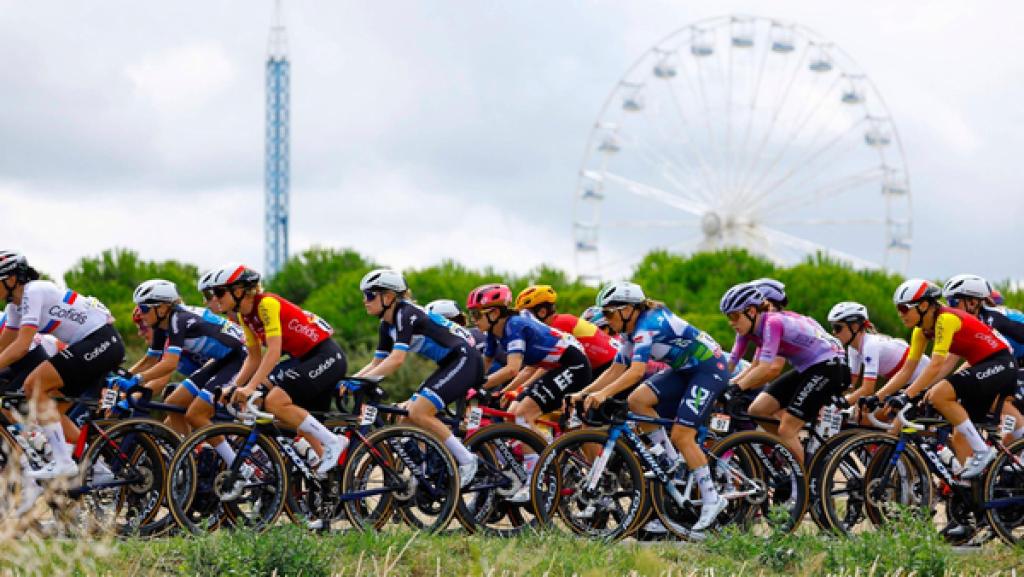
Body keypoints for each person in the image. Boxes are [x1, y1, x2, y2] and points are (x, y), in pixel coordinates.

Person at [571, 281, 730, 531]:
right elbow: (617, 368)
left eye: (610, 313)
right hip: (684, 370)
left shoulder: (647, 325)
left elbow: (636, 372)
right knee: (637, 401)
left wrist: (603, 394)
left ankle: (712, 499)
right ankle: (670, 459)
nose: (606, 319)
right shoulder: (629, 330)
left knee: (682, 434)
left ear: (629, 310)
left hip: (709, 369)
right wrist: (585, 392)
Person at [204, 264, 347, 477]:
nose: (215, 298)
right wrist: (234, 387)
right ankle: (330, 473)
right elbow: (253, 358)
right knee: (268, 403)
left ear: (240, 290)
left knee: (274, 401)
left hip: (324, 355)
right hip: (302, 360)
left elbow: (273, 351)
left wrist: (250, 386)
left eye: (219, 292)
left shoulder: (266, 304)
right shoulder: (245, 317)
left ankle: (334, 442)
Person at [0, 252, 125, 481]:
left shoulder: (33, 291)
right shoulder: (15, 308)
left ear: (11, 279)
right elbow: (4, 345)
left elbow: (21, 346)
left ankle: (63, 462)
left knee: (33, 385)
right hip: (92, 346)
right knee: (52, 414)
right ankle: (97, 468)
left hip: (101, 340)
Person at [354, 270, 483, 487]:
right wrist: (349, 379)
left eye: (369, 295)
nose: (364, 301)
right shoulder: (386, 325)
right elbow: (377, 363)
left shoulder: (406, 313)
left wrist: (361, 382)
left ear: (388, 297)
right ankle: (420, 476)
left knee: (419, 411)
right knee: (406, 418)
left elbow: (396, 360)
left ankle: (467, 459)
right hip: (450, 363)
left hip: (465, 359)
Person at [884, 279, 1017, 479]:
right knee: (960, 433)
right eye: (897, 309)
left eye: (904, 309)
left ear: (923, 305)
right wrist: (878, 397)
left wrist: (907, 395)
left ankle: (983, 451)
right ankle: (973, 489)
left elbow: (937, 364)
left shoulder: (946, 319)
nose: (900, 314)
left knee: (940, 394)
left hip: (1001, 364)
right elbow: (907, 370)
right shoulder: (920, 331)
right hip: (983, 366)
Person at [722, 282, 847, 464]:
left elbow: (765, 367)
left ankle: (802, 485)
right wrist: (721, 383)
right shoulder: (746, 330)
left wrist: (736, 387)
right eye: (728, 317)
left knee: (787, 429)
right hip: (807, 368)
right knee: (757, 410)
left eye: (734, 316)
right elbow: (732, 363)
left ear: (751, 311)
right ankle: (791, 450)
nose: (731, 322)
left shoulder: (772, 322)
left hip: (830, 366)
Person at [116, 280, 246, 438]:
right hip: (221, 361)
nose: (141, 314)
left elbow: (168, 366)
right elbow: (149, 360)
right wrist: (120, 378)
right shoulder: (162, 326)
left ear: (162, 308)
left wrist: (136, 380)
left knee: (195, 415)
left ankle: (227, 457)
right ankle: (188, 456)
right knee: (173, 403)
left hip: (239, 358)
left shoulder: (178, 320)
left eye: (143, 308)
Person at [468, 284, 591, 432]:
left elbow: (512, 369)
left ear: (493, 313)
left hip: (575, 365)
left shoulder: (514, 326)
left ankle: (547, 454)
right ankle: (538, 452)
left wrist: (476, 386)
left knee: (524, 415)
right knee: (512, 413)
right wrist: (473, 382)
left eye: (476, 314)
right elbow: (485, 363)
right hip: (554, 368)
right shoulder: (493, 333)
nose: (473, 319)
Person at [941, 275, 1024, 443]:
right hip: (1015, 362)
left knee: (994, 399)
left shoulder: (991, 320)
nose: (950, 308)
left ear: (972, 302)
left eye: (953, 302)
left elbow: (988, 360)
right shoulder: (972, 320)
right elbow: (950, 360)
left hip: (1016, 363)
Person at [827, 301, 930, 407]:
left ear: (854, 327)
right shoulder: (853, 348)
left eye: (837, 328)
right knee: (860, 415)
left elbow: (868, 389)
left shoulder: (870, 345)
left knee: (865, 415)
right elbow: (850, 385)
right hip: (902, 382)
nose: (833, 332)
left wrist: (842, 404)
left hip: (923, 378)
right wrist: (834, 400)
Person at [515, 285, 618, 380]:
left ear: (542, 312)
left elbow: (537, 369)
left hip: (609, 365)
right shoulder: (556, 322)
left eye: (527, 314)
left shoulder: (558, 325)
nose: (525, 319)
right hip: (601, 365)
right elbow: (532, 368)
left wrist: (519, 390)